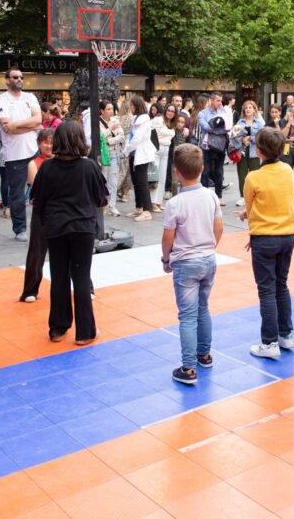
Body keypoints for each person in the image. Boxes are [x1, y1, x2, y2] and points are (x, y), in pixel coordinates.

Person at [31, 122, 107, 345]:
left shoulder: (47, 168)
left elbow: (37, 199)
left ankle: (58, 327)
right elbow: (101, 197)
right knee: (81, 278)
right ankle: (85, 332)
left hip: (56, 227)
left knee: (59, 276)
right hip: (82, 227)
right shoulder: (89, 167)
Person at [161, 144, 223, 385]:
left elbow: (168, 236)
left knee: (187, 315)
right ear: (202, 168)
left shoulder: (175, 203)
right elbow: (218, 228)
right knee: (203, 307)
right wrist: (210, 247)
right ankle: (204, 354)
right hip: (208, 258)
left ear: (176, 171)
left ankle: (188, 367)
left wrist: (166, 259)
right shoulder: (211, 195)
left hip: (186, 261)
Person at [241, 128, 294, 359]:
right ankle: (286, 335)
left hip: (264, 238)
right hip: (288, 235)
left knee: (266, 290)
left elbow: (250, 205)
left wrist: (249, 219)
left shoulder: (253, 177)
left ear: (259, 150)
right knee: (281, 285)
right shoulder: (288, 171)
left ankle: (269, 342)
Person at [0, 68, 42, 241]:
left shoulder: (31, 97)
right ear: (7, 80)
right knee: (17, 195)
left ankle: (44, 223)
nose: (19, 79)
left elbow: (38, 120)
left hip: (33, 151)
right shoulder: (1, 99)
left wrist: (17, 125)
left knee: (42, 190)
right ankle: (20, 229)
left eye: (21, 77)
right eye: (15, 77)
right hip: (14, 155)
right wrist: (30, 125)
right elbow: (7, 127)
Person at [18, 129, 55, 303]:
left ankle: (86, 286)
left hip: (61, 212)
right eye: (45, 142)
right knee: (36, 252)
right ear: (39, 144)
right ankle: (30, 290)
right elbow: (37, 186)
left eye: (51, 142)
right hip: (42, 211)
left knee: (70, 252)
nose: (49, 146)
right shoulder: (34, 163)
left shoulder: (63, 161)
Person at [125, 95, 157, 222]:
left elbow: (137, 139)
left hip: (141, 154)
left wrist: (126, 150)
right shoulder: (136, 118)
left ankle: (147, 210)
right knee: (136, 181)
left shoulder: (143, 120)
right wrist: (127, 150)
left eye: (132, 106)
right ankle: (139, 207)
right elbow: (131, 136)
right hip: (134, 154)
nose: (130, 108)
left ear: (137, 106)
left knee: (142, 182)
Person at [198, 92, 231, 202]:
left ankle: (219, 196)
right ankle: (203, 196)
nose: (220, 103)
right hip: (206, 146)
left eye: (221, 100)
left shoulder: (223, 113)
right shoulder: (202, 113)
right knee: (206, 171)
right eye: (218, 100)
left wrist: (214, 130)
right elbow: (206, 127)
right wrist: (217, 128)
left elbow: (227, 128)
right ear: (211, 100)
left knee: (219, 171)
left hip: (220, 145)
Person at [231, 100, 264, 208]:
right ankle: (243, 197)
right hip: (242, 152)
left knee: (254, 175)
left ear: (254, 109)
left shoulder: (259, 123)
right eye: (246, 108)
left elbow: (262, 137)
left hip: (255, 151)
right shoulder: (240, 122)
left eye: (250, 107)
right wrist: (241, 140)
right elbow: (234, 136)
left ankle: (255, 196)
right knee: (242, 174)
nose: (248, 109)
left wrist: (251, 138)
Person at [99, 101, 124, 217]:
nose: (110, 111)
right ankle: (103, 205)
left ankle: (112, 205)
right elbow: (99, 136)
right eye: (108, 109)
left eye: (111, 109)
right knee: (103, 179)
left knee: (113, 180)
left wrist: (109, 140)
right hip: (104, 153)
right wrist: (110, 130)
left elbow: (121, 137)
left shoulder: (116, 121)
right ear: (102, 110)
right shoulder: (98, 121)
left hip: (114, 152)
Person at [152, 104, 177, 208]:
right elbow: (150, 131)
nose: (170, 112)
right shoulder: (158, 119)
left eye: (173, 111)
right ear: (165, 110)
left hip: (166, 150)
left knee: (162, 177)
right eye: (169, 110)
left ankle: (158, 202)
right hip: (157, 149)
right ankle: (152, 202)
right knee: (154, 177)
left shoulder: (172, 123)